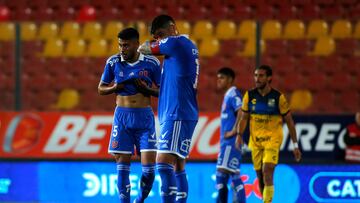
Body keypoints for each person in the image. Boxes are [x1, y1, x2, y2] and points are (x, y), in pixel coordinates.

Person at [138, 15, 199, 203]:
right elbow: (170, 87)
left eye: (160, 35)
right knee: (179, 165)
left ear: (173, 28)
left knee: (163, 164)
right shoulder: (179, 51)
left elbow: (144, 48)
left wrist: (146, 46)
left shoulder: (177, 43)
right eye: (156, 37)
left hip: (177, 113)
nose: (158, 40)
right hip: (178, 112)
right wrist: (148, 90)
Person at [98, 28, 161, 203]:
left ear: (136, 44)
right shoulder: (113, 62)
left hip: (144, 118)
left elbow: (164, 91)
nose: (122, 49)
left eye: (125, 45)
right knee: (122, 166)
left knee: (149, 171)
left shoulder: (152, 63)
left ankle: (139, 200)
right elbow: (101, 88)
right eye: (119, 45)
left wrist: (147, 90)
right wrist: (114, 88)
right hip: (122, 118)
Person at [232, 65, 302, 203]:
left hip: (273, 139)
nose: (257, 79)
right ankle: (266, 198)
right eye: (256, 75)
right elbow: (244, 118)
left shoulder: (278, 98)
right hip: (256, 141)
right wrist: (239, 135)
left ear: (269, 78)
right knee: (260, 176)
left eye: (261, 76)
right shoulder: (249, 95)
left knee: (267, 170)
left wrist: (295, 145)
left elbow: (289, 122)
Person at [216, 67, 246, 203]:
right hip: (228, 143)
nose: (218, 80)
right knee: (231, 175)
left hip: (230, 143)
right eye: (218, 77)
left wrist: (235, 131)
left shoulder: (233, 93)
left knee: (222, 175)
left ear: (230, 80)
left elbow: (242, 111)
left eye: (221, 77)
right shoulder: (228, 95)